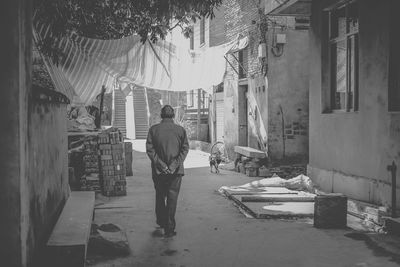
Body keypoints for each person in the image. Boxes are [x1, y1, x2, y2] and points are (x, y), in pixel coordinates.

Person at [146, 105, 189, 237]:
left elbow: (150, 150)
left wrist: (162, 165)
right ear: (173, 116)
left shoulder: (153, 130)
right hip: (175, 172)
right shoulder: (180, 130)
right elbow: (185, 150)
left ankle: (161, 221)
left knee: (160, 196)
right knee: (172, 198)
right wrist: (173, 165)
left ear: (161, 115)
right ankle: (169, 228)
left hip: (159, 172)